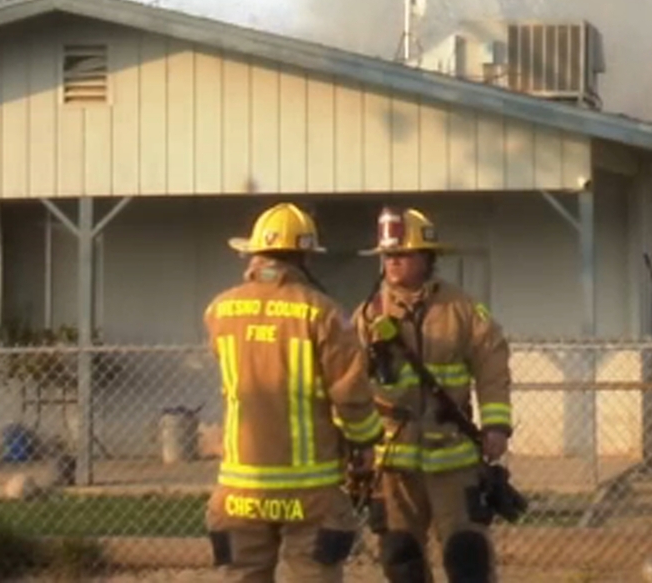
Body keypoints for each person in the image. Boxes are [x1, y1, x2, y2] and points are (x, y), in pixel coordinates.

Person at [204, 202, 385, 583]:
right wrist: (367, 443)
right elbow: (350, 393)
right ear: (304, 257)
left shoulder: (220, 310)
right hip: (310, 490)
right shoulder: (324, 313)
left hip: (240, 488)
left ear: (253, 253)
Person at [351, 206, 514, 583]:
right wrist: (355, 444)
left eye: (401, 254)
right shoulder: (367, 314)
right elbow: (349, 382)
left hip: (452, 459)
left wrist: (496, 426)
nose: (392, 262)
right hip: (393, 462)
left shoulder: (463, 309)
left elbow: (493, 367)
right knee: (400, 555)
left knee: (467, 556)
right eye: (387, 256)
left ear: (427, 257)